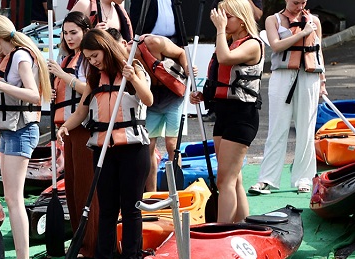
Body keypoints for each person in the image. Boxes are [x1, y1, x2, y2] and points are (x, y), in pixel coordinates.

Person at [57, 28, 153, 259]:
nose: (92, 61)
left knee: (131, 208)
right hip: (103, 149)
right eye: (88, 58)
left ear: (106, 48)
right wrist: (66, 126)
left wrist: (133, 79)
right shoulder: (94, 79)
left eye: (95, 55)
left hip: (133, 148)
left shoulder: (133, 69)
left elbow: (149, 99)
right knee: (106, 208)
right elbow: (81, 112)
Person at [0, 15, 52, 259]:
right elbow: (10, 94)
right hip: (11, 130)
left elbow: (34, 95)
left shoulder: (21, 57)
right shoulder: (9, 57)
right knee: (11, 197)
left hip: (22, 131)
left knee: (14, 198)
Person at [189, 0, 263, 223]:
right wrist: (203, 95)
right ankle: (242, 223)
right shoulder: (228, 42)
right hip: (224, 114)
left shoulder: (252, 43)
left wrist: (220, 30)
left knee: (225, 181)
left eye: (228, 17)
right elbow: (220, 77)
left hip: (242, 116)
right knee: (234, 178)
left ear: (242, 18)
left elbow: (226, 59)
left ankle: (222, 230)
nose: (224, 21)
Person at [249, 0, 325, 195]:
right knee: (277, 127)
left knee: (306, 129)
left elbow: (319, 51)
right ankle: (266, 179)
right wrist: (301, 33)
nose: (299, 5)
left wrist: (322, 81)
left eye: (303, 2)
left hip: (310, 75)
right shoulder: (272, 20)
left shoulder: (314, 20)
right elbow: (276, 46)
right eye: (295, 2)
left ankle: (304, 179)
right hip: (282, 75)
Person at [48, 11, 98, 258]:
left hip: (85, 126)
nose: (68, 37)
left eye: (73, 32)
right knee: (72, 186)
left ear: (86, 31)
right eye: (65, 33)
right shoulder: (68, 59)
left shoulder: (88, 60)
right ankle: (81, 241)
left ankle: (91, 242)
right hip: (68, 128)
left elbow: (89, 88)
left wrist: (62, 76)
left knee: (85, 185)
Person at [135, 33, 189, 192]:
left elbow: (182, 53)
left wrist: (187, 68)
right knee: (148, 146)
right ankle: (151, 194)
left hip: (172, 95)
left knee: (172, 145)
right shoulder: (125, 56)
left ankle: (175, 193)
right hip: (151, 98)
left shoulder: (154, 42)